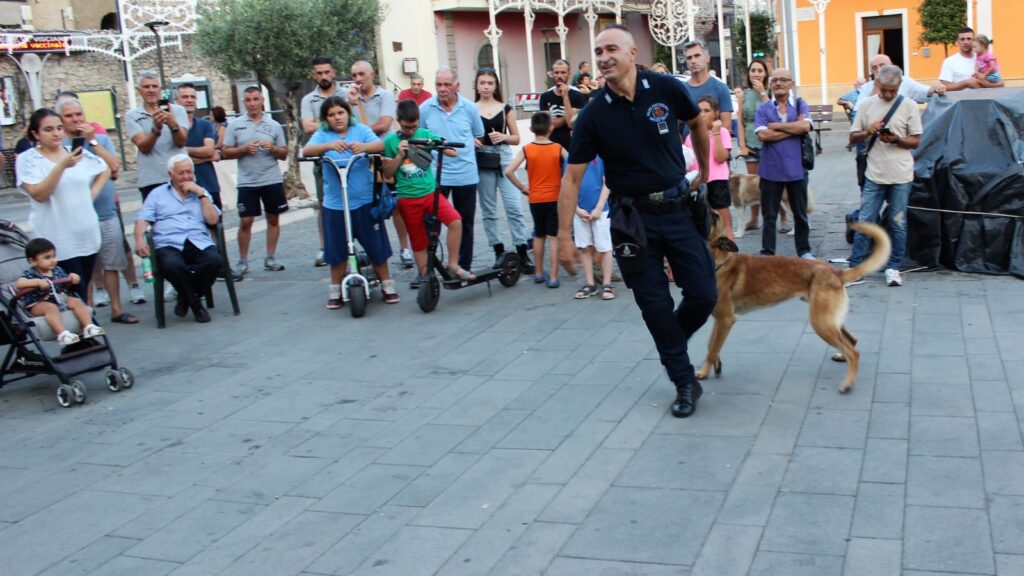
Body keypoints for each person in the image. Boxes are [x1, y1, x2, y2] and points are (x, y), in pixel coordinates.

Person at [557, 24, 713, 418]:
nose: (604, 56)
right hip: (632, 220)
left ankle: (671, 343)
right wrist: (563, 237)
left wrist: (705, 170)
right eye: (598, 50)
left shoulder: (665, 88)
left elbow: (697, 123)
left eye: (612, 48)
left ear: (631, 53)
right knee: (654, 304)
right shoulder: (593, 115)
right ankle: (683, 381)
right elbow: (572, 177)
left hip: (678, 210)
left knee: (704, 294)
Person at [302, 96, 400, 307]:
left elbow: (381, 144)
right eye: (331, 115)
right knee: (336, 250)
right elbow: (307, 151)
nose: (337, 118)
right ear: (326, 118)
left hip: (363, 201)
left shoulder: (361, 130)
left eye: (340, 113)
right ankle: (335, 289)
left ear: (348, 113)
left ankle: (386, 284)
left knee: (377, 246)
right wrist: (327, 146)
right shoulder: (322, 134)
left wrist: (364, 147)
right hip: (336, 204)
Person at [55, 97, 138, 324]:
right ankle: (87, 312)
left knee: (112, 262)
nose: (76, 120)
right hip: (76, 216)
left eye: (79, 115)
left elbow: (114, 167)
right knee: (86, 267)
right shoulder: (58, 146)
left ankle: (116, 309)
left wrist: (92, 142)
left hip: (105, 212)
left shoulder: (100, 140)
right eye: (70, 116)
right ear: (62, 121)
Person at [16, 108, 110, 300]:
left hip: (86, 231)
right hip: (57, 236)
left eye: (59, 128)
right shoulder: (29, 159)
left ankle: (87, 322)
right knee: (69, 289)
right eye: (49, 129)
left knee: (84, 285)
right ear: (36, 134)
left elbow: (106, 167)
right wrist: (61, 167)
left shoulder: (74, 152)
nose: (56, 133)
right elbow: (39, 194)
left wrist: (89, 196)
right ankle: (84, 324)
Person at [383, 100, 476, 287]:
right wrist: (399, 155)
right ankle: (426, 277)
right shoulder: (390, 141)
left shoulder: (424, 133)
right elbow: (387, 174)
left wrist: (437, 144)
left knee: (455, 221)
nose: (410, 131)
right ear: (398, 121)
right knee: (418, 240)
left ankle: (453, 264)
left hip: (429, 194)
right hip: (407, 198)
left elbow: (452, 152)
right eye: (406, 127)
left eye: (414, 126)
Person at [848, 65, 922, 287]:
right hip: (875, 174)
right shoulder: (866, 105)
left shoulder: (909, 106)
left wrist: (897, 140)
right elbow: (853, 138)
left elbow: (916, 140)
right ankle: (856, 267)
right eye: (884, 90)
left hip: (901, 175)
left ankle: (893, 267)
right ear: (877, 84)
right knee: (865, 221)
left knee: (898, 223)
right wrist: (868, 131)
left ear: (900, 85)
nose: (888, 94)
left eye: (893, 90)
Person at [134, 154, 223, 323]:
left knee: (214, 261)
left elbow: (213, 220)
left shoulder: (200, 192)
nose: (186, 177)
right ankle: (196, 305)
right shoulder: (157, 194)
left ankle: (185, 299)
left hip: (198, 240)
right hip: (168, 242)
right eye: (181, 173)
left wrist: (202, 196)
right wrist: (139, 239)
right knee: (172, 265)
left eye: (189, 172)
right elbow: (142, 219)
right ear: (170, 175)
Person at [420, 67, 485, 272]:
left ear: (457, 86)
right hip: (436, 175)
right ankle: (429, 268)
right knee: (431, 223)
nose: (442, 89)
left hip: (465, 174)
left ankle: (462, 266)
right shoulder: (425, 108)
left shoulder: (469, 108)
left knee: (465, 222)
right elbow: (420, 135)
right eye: (438, 84)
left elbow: (478, 135)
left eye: (447, 84)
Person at [349, 60, 412, 268]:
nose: (358, 79)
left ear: (372, 75)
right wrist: (351, 104)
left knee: (395, 206)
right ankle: (371, 251)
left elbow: (384, 124)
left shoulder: (385, 96)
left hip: (384, 154)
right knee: (365, 205)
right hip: (360, 160)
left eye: (361, 74)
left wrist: (361, 135)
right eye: (354, 75)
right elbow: (344, 125)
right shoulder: (348, 99)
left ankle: (404, 249)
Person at [222, 86, 289, 277]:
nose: (252, 104)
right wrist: (243, 149)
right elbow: (225, 151)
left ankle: (270, 257)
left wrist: (273, 149)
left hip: (271, 178)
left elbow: (284, 154)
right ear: (244, 102)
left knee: (273, 217)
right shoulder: (235, 125)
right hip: (247, 181)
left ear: (262, 101)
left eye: (255, 99)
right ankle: (243, 260)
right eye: (248, 100)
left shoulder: (274, 125)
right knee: (245, 221)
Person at [473, 68, 533, 272]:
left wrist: (504, 137)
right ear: (477, 85)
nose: (486, 87)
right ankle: (498, 251)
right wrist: (473, 141)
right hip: (483, 159)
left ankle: (522, 251)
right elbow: (468, 134)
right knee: (488, 209)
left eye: (490, 83)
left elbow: (517, 137)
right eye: (483, 83)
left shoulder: (505, 108)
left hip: (504, 156)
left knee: (514, 207)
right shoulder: (471, 109)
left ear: (496, 85)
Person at [755, 68, 813, 259]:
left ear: (791, 84)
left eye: (783, 80)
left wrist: (777, 126)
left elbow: (805, 126)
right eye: (775, 80)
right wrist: (793, 128)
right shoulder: (763, 108)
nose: (778, 83)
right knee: (769, 217)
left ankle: (804, 251)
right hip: (770, 170)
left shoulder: (799, 103)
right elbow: (763, 135)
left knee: (800, 215)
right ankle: (768, 253)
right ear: (770, 84)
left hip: (796, 168)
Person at [506, 112, 566, 288]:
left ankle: (539, 272)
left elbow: (509, 171)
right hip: (554, 197)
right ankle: (554, 276)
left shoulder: (526, 149)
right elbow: (571, 163)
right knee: (553, 237)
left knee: (539, 235)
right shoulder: (557, 148)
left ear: (531, 129)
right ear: (551, 127)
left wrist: (523, 188)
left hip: (535, 198)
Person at [16, 238, 105, 346]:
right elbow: (19, 283)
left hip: (58, 299)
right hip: (38, 303)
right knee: (50, 308)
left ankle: (89, 327)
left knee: (76, 301)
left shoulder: (57, 270)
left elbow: (65, 285)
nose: (52, 260)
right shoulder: (31, 273)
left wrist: (71, 278)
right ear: (33, 261)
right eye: (47, 257)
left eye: (54, 256)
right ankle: (62, 334)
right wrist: (37, 282)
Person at [734, 58, 789, 231]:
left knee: (775, 181)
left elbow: (775, 115)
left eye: (759, 70)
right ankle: (754, 219)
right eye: (753, 70)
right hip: (751, 144)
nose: (756, 74)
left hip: (769, 143)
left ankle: (784, 218)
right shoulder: (743, 95)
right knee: (754, 184)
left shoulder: (772, 93)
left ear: (766, 74)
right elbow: (740, 122)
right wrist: (742, 145)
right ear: (748, 73)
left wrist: (764, 93)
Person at [301, 56, 342, 268]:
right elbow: (307, 127)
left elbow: (354, 122)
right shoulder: (308, 100)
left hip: (348, 158)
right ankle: (325, 246)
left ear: (333, 72)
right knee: (324, 203)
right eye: (319, 73)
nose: (323, 76)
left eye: (327, 72)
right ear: (313, 75)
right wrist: (335, 123)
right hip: (323, 160)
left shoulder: (344, 94)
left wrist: (321, 124)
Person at [124, 70, 189, 201]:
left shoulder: (178, 111)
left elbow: (181, 142)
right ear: (139, 90)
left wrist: (172, 124)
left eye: (154, 86)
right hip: (152, 179)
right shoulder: (132, 115)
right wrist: (156, 129)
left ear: (160, 89)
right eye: (146, 87)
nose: (151, 90)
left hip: (180, 176)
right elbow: (144, 147)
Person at [686, 96, 733, 240]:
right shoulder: (690, 136)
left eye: (707, 110)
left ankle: (730, 256)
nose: (702, 114)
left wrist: (717, 132)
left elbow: (720, 157)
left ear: (716, 114)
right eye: (699, 111)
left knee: (723, 224)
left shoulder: (722, 133)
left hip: (717, 182)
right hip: (698, 183)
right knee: (702, 223)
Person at [571, 155, 613, 301]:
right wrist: (576, 208)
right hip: (580, 210)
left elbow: (607, 182)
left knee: (604, 246)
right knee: (584, 247)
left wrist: (600, 207)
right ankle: (590, 282)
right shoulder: (571, 158)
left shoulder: (601, 156)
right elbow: (568, 184)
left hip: (600, 210)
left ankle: (607, 283)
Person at [176, 83, 222, 208]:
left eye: (192, 97)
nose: (189, 100)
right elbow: (173, 160)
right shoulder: (172, 128)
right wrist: (206, 157)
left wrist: (183, 150)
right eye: (185, 97)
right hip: (182, 190)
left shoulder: (205, 125)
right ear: (176, 100)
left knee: (215, 225)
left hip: (209, 185)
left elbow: (208, 150)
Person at [854, 54, 944, 114]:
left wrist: (935, 88)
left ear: (891, 65)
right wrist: (876, 87)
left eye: (882, 65)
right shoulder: (866, 88)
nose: (878, 69)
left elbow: (925, 92)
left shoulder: (905, 81)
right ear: (871, 71)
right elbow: (859, 110)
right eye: (874, 67)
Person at [682, 41, 733, 131]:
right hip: (687, 144)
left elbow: (726, 127)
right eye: (689, 58)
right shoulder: (681, 90)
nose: (693, 61)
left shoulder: (720, 88)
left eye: (697, 55)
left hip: (713, 143)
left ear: (707, 58)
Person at [539, 59, 587, 150]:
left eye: (563, 72)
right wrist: (570, 115)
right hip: (550, 146)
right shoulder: (545, 96)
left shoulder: (578, 95)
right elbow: (546, 125)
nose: (559, 76)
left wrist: (565, 97)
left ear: (569, 74)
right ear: (552, 74)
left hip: (572, 146)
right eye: (556, 73)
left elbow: (571, 124)